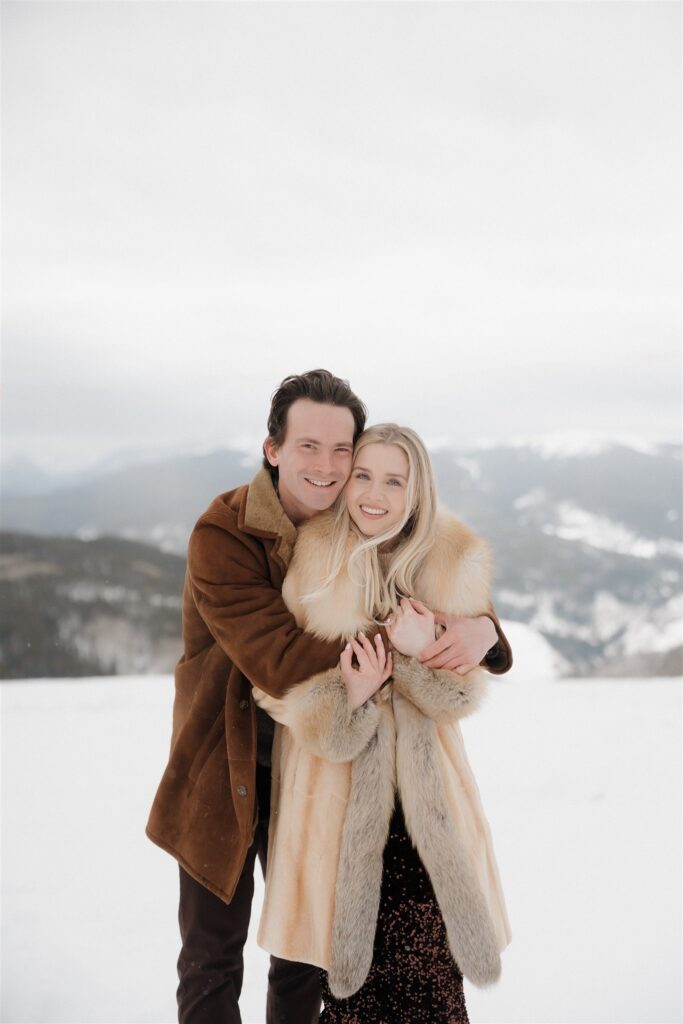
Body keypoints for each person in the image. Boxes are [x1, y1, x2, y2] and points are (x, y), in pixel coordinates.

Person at [146, 370, 512, 1024]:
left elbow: (420, 565)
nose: (326, 465)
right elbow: (278, 658)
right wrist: (415, 641)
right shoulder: (224, 533)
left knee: (305, 956)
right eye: (307, 446)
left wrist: (483, 630)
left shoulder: (349, 521)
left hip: (315, 768)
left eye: (341, 450)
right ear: (272, 449)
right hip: (226, 766)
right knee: (211, 958)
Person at [252, 424, 512, 1024]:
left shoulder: (449, 558)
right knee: (355, 996)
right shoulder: (313, 560)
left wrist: (423, 652)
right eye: (364, 476)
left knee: (434, 989)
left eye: (394, 481)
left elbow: (464, 692)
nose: (375, 494)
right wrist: (349, 695)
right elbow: (273, 685)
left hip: (428, 807)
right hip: (338, 807)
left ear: (417, 492)